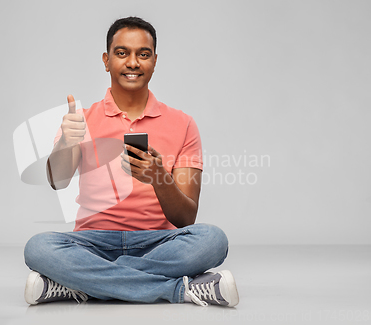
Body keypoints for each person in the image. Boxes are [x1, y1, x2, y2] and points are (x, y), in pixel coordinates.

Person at [23, 16, 239, 307]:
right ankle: (177, 290)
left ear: (154, 60)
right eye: (122, 53)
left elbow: (186, 219)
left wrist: (159, 178)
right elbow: (57, 180)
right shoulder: (82, 119)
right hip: (92, 243)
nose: (133, 62)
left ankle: (78, 283)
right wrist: (66, 141)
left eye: (143, 54)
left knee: (213, 240)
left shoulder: (183, 123)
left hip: (159, 244)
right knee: (38, 248)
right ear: (106, 60)